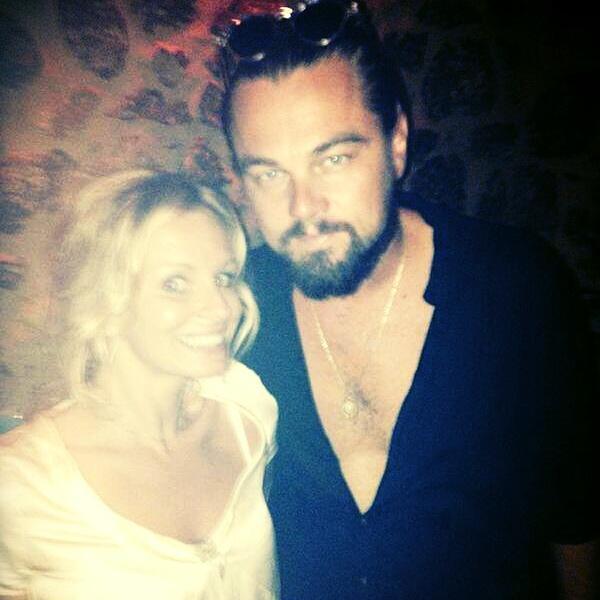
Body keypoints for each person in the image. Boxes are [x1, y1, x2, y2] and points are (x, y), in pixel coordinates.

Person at [216, 1, 599, 598]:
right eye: (268, 173)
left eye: (333, 158)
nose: (302, 208)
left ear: (395, 142)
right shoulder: (233, 309)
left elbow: (576, 518)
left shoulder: (516, 290)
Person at [0, 171, 279, 599]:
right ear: (102, 296)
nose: (221, 308)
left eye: (223, 278)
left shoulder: (247, 406)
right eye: (175, 284)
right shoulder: (22, 481)